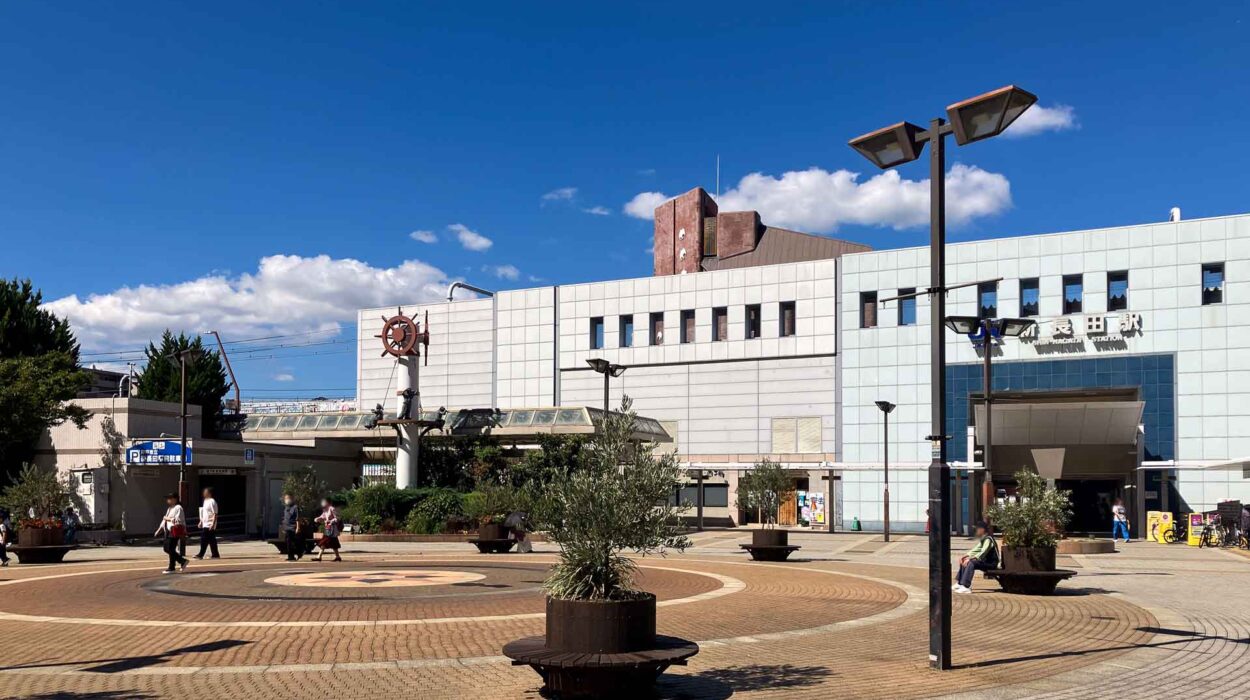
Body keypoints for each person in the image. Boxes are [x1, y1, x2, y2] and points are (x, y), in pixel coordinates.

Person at [953, 520, 999, 594]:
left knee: (971, 563)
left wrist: (970, 559)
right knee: (965, 560)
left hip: (991, 564)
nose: (976, 531)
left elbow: (983, 552)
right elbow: (976, 549)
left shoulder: (988, 539)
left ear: (982, 529)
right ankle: (960, 583)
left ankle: (966, 586)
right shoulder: (983, 539)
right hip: (985, 562)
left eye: (977, 529)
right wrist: (965, 556)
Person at [155, 493, 189, 573]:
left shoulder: (178, 507)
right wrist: (159, 529)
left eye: (169, 498)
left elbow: (177, 520)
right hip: (168, 531)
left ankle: (182, 561)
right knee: (170, 549)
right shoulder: (170, 508)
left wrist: (166, 518)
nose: (168, 500)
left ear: (175, 499)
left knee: (168, 548)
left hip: (174, 530)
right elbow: (164, 521)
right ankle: (172, 567)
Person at [194, 487, 220, 560]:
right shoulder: (205, 501)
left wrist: (213, 523)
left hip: (210, 524)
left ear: (210, 493)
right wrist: (201, 521)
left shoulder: (212, 501)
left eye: (206, 492)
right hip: (205, 523)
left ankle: (201, 554)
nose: (204, 493)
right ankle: (215, 554)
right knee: (212, 540)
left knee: (204, 539)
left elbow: (215, 513)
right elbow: (204, 512)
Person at [313, 498, 342, 562]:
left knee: (324, 541)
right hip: (328, 528)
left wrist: (330, 521)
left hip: (332, 528)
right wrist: (318, 519)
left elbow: (337, 518)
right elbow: (322, 517)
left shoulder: (332, 509)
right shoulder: (325, 510)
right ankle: (338, 557)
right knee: (333, 542)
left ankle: (319, 556)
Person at [280, 493, 302, 561]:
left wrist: (298, 527)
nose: (287, 500)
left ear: (292, 499)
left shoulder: (295, 507)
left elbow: (298, 518)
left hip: (293, 527)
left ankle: (294, 555)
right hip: (287, 527)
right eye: (286, 498)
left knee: (291, 542)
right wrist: (283, 527)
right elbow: (285, 518)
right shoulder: (286, 507)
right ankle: (293, 555)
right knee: (288, 542)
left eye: (288, 498)